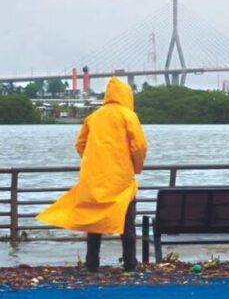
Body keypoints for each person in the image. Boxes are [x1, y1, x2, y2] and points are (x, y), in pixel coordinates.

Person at [36, 77, 147, 272]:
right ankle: (130, 264)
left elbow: (80, 144)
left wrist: (94, 160)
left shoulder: (94, 117)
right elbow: (139, 146)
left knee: (94, 222)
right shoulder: (128, 116)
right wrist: (136, 167)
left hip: (95, 178)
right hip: (121, 179)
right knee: (127, 222)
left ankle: (92, 264)